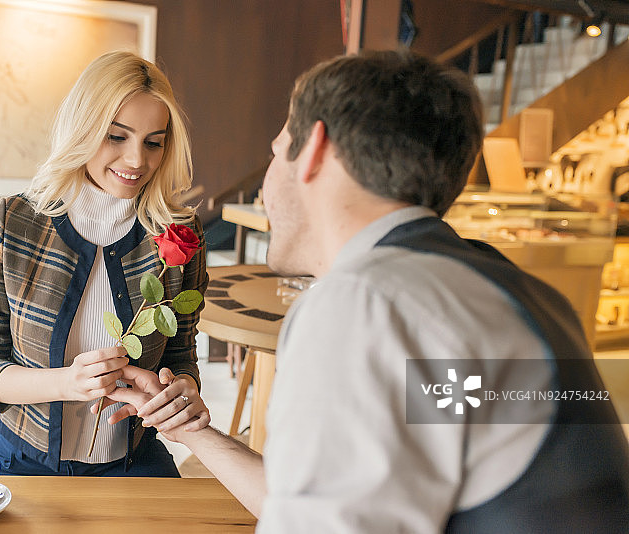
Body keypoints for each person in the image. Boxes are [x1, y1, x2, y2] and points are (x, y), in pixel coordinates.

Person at [106, 50, 629, 531]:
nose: (266, 185)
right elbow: (339, 505)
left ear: (314, 148)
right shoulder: (514, 291)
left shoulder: (364, 303)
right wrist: (193, 432)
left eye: (276, 152)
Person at [0, 51, 210, 477]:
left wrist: (182, 389)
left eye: (153, 142)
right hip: (22, 456)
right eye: (116, 137)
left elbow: (182, 353)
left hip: (133, 458)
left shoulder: (179, 234)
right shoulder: (15, 222)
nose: (136, 160)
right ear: (83, 129)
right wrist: (65, 383)